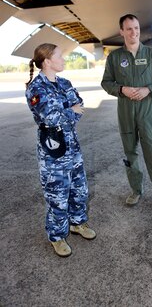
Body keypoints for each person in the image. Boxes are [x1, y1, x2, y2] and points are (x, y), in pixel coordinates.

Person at [25, 43, 96, 257]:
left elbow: (79, 106)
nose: (64, 60)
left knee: (79, 189)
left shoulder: (64, 82)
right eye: (60, 56)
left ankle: (77, 223)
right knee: (57, 195)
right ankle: (56, 236)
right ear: (47, 61)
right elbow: (49, 117)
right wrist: (69, 112)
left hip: (72, 147)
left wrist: (67, 112)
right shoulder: (36, 88)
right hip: (53, 150)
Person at [101, 13, 152, 211]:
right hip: (125, 111)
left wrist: (148, 90)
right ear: (122, 32)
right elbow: (106, 82)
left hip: (147, 111)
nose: (134, 32)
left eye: (136, 28)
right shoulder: (115, 57)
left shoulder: (151, 54)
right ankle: (136, 191)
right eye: (129, 29)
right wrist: (121, 89)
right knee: (131, 154)